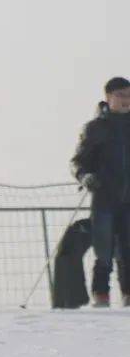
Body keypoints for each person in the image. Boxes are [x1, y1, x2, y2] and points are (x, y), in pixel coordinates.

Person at [72, 77, 130, 308]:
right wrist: (85, 176)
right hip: (104, 198)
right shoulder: (95, 128)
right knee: (104, 250)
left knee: (128, 250)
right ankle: (101, 295)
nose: (126, 101)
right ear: (108, 97)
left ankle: (128, 295)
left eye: (128, 96)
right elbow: (78, 161)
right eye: (121, 96)